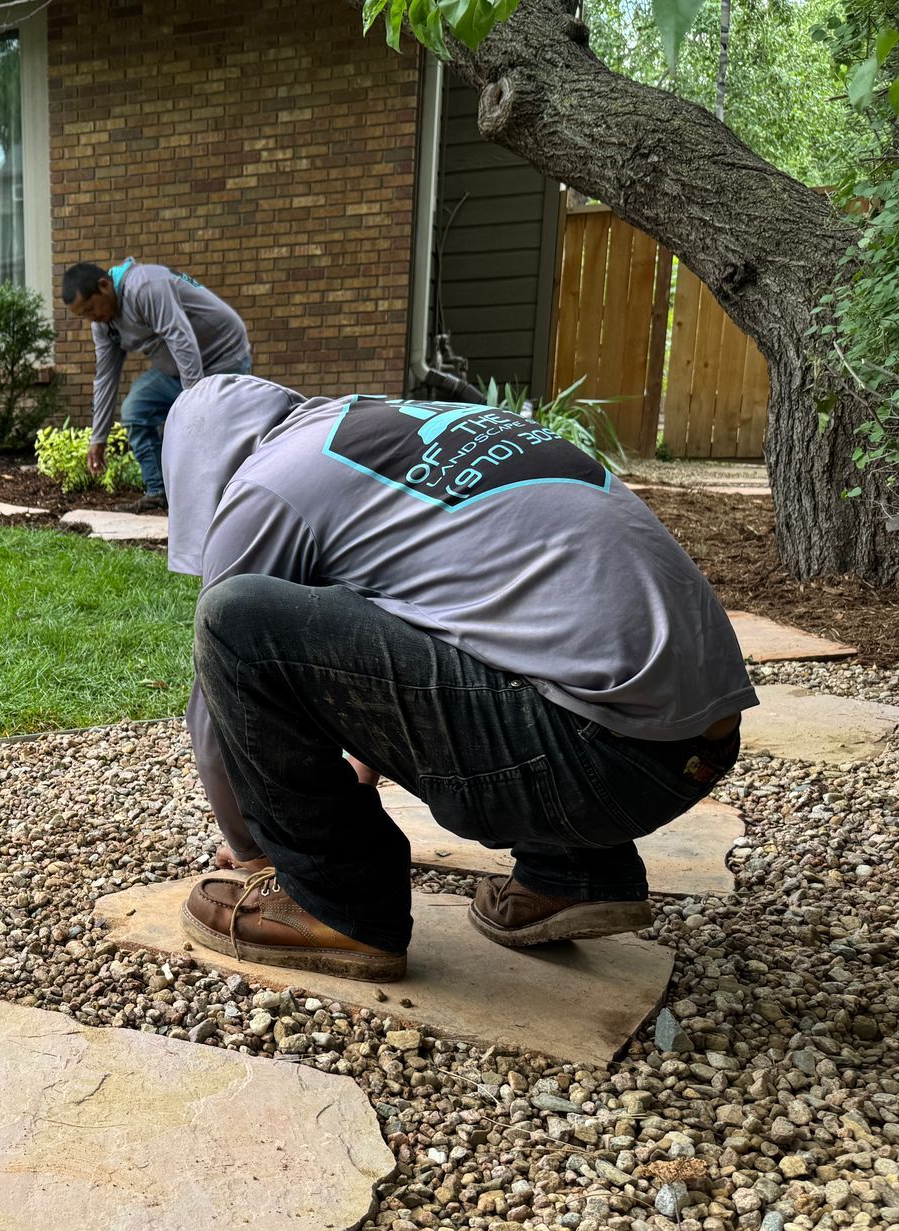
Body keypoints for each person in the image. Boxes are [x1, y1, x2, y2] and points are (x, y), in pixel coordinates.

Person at [164, 374, 756, 981]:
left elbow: (215, 708)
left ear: (199, 469)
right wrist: (358, 762)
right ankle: (575, 874)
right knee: (495, 615)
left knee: (235, 621)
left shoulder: (267, 486)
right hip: (686, 752)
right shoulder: (381, 430)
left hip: (591, 757)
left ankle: (335, 906)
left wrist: (255, 849)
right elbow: (413, 623)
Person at [63, 260, 251, 515]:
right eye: (82, 315)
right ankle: (158, 492)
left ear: (104, 286)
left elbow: (180, 337)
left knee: (215, 430)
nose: (90, 319)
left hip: (223, 357)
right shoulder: (103, 325)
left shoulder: (144, 286)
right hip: (176, 369)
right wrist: (98, 438)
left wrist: (193, 402)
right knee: (135, 411)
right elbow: (106, 378)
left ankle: (230, 498)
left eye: (90, 309)